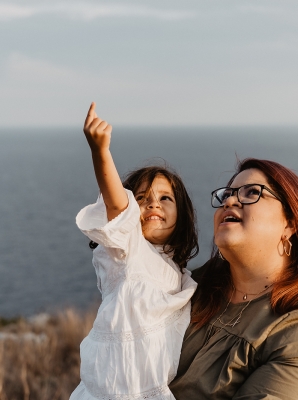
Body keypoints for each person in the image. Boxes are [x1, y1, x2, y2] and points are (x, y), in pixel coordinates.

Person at [169, 158, 298, 400]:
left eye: (253, 192)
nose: (229, 201)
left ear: (290, 224)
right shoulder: (190, 287)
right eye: (227, 194)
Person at [70, 103, 198, 400]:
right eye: (141, 197)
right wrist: (100, 152)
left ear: (183, 214)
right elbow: (119, 208)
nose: (153, 203)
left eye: (165, 198)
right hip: (114, 389)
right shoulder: (129, 248)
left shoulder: (178, 272)